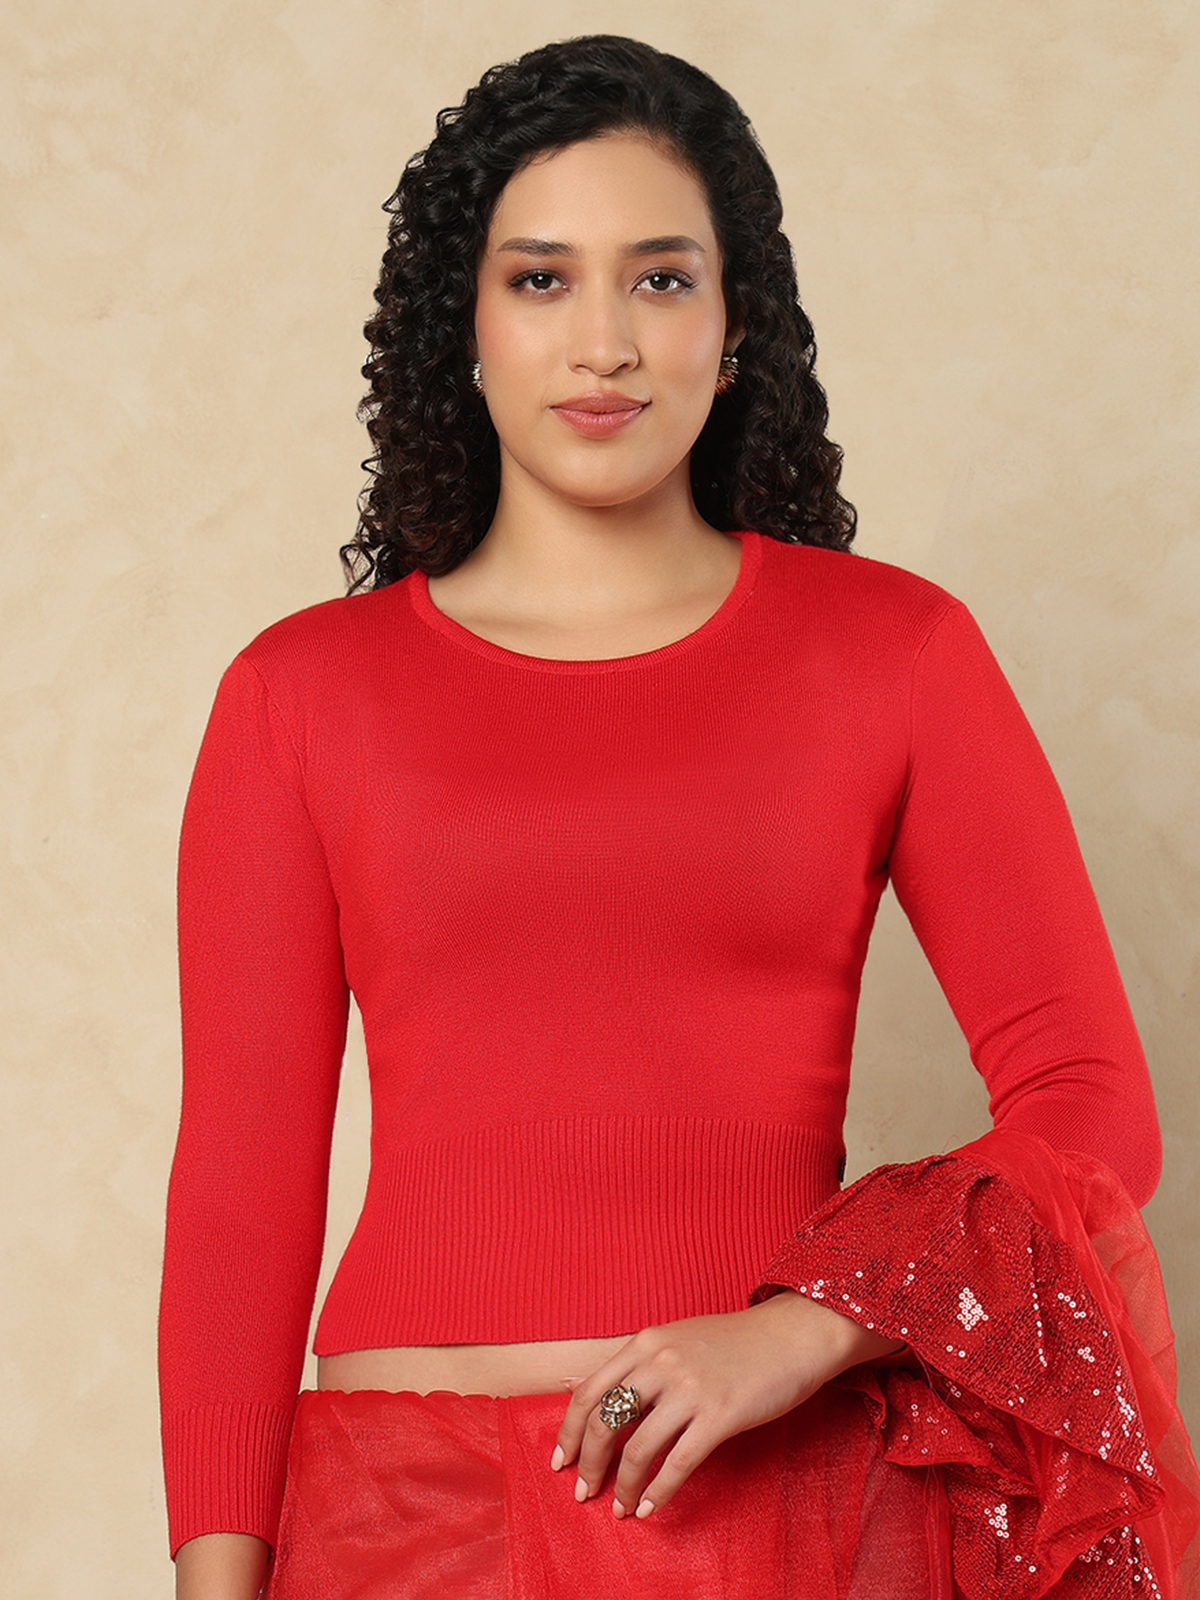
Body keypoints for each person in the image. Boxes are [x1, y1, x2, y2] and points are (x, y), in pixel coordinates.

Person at [159, 34, 1199, 1600]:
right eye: (540, 280)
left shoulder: (895, 655)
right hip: (404, 1527)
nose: (604, 344)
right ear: (463, 326)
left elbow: (1093, 1101)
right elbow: (241, 1205)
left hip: (787, 1512)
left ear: (736, 324)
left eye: (659, 279)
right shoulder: (298, 694)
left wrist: (809, 1327)